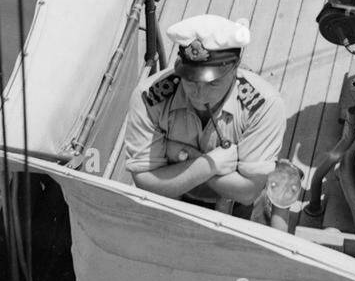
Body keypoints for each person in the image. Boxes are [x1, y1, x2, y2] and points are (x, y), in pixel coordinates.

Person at [123, 15, 287, 209]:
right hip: (170, 200)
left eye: (213, 83)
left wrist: (181, 155)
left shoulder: (264, 106)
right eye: (190, 79)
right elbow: (144, 180)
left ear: (235, 68)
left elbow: (247, 192)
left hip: (235, 205)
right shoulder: (149, 97)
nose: (199, 94)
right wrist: (208, 165)